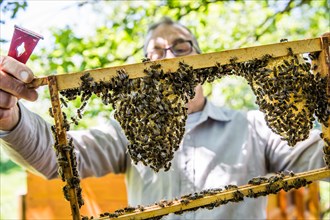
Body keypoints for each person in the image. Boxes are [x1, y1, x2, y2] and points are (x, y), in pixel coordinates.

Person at [0, 17, 327, 219]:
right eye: (157, 52)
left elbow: (321, 156)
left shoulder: (255, 127)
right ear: (144, 67)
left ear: (202, 59)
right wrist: (10, 116)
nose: (169, 57)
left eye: (181, 47)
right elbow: (57, 158)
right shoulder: (124, 132)